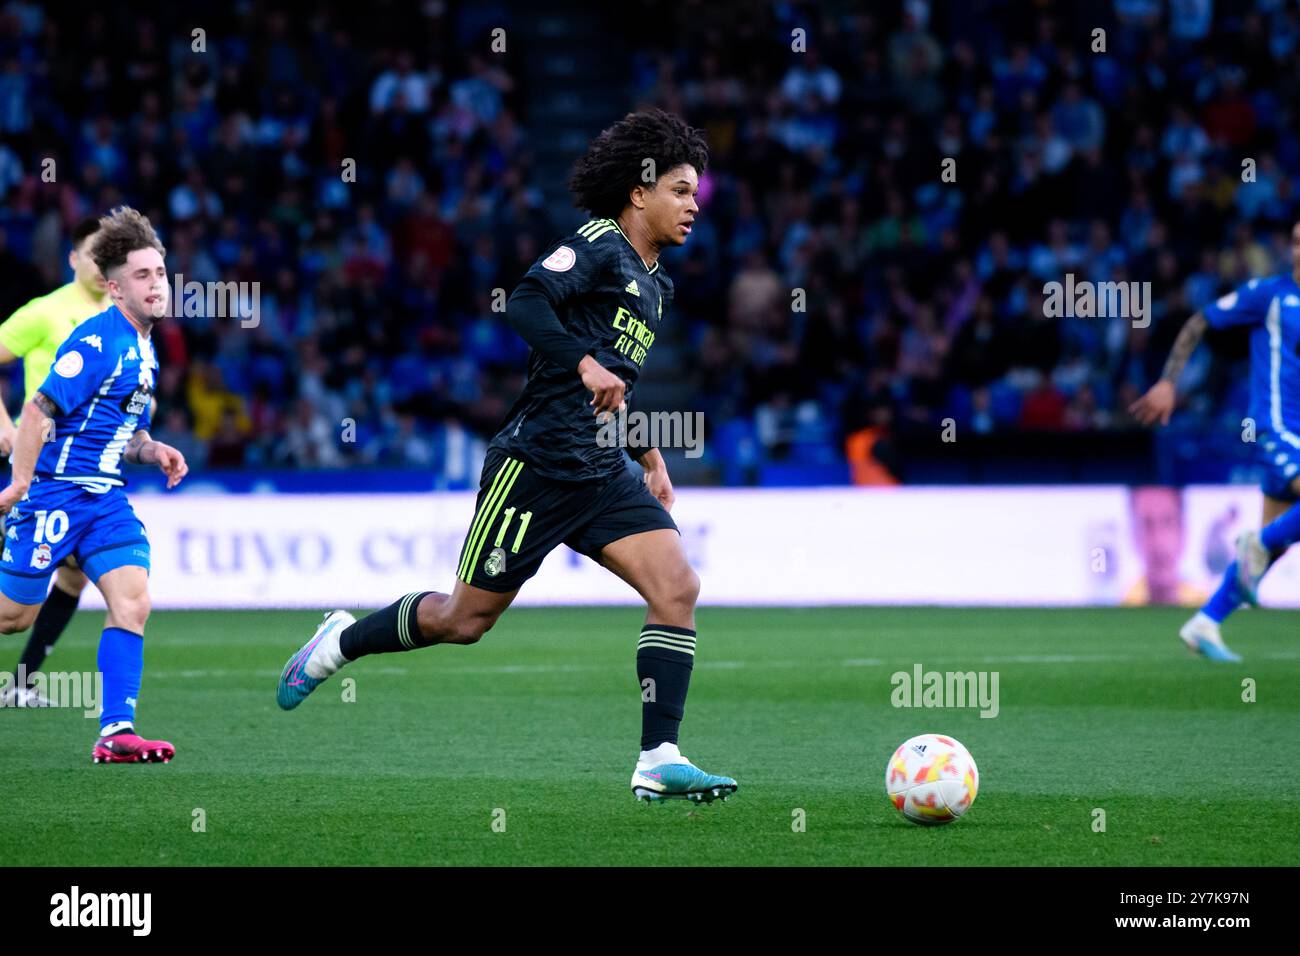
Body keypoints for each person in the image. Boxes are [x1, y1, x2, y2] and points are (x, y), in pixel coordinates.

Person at [276, 109, 737, 803]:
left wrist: (650, 454)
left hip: (601, 469)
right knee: (463, 621)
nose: (693, 205)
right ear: (638, 193)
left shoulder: (656, 284)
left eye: (695, 192)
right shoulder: (596, 243)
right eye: (679, 189)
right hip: (537, 463)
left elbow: (615, 385)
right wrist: (582, 363)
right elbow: (524, 303)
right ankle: (341, 639)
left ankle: (657, 757)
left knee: (678, 588)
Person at [0, 207, 189, 760]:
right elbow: (37, 411)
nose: (156, 284)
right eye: (142, 276)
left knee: (133, 601)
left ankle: (116, 732)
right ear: (115, 287)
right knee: (13, 619)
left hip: (105, 499)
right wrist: (20, 485)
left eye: (160, 272)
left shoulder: (143, 342)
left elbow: (123, 432)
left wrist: (151, 449)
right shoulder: (98, 341)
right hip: (55, 494)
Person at [1131, 219, 1300, 661]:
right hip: (1277, 427)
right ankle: (1256, 543)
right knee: (1265, 544)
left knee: (1275, 544)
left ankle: (1204, 622)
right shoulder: (1269, 295)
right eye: (1296, 243)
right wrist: (1169, 382)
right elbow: (1198, 322)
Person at [0, 217, 107, 706]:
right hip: (41, 468)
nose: (100, 265)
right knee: (16, 609)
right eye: (91, 254)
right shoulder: (45, 312)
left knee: (72, 576)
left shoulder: (119, 316)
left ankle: (22, 681)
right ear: (72, 259)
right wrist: (4, 425)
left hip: (87, 468)